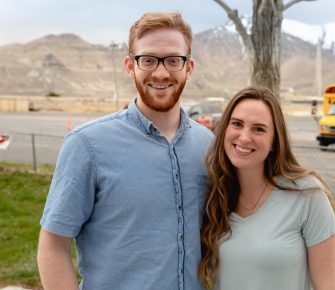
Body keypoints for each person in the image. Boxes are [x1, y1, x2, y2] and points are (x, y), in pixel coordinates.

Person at [37, 12, 213, 290]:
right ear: (130, 66)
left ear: (189, 67)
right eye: (148, 59)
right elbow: (53, 246)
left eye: (173, 60)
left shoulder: (208, 145)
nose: (161, 72)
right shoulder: (86, 145)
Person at [199, 86, 335, 290]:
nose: (245, 137)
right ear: (224, 130)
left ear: (275, 140)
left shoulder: (307, 194)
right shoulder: (214, 196)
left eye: (259, 129)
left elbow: (328, 287)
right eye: (237, 124)